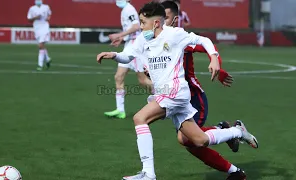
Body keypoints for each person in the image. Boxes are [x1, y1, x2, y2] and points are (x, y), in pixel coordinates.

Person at [96, 2, 258, 180]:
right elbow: (129, 56)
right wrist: (114, 56)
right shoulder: (144, 38)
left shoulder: (174, 34)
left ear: (156, 23)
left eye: (143, 22)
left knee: (139, 118)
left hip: (175, 92)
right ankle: (237, 132)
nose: (140, 26)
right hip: (165, 94)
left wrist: (214, 59)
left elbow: (203, 40)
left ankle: (148, 174)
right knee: (199, 140)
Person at [104, 0, 153, 119]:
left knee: (142, 81)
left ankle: (166, 100)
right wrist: (123, 38)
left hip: (135, 46)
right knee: (118, 77)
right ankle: (120, 110)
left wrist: (119, 35)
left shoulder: (129, 10)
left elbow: (136, 27)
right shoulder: (126, 9)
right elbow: (132, 29)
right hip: (129, 44)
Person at [27, 0, 52, 71]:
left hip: (44, 27)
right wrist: (36, 18)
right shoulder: (32, 9)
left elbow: (50, 13)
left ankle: (40, 65)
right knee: (42, 46)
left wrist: (48, 18)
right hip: (37, 28)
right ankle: (47, 59)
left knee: (40, 46)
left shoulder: (46, 7)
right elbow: (29, 19)